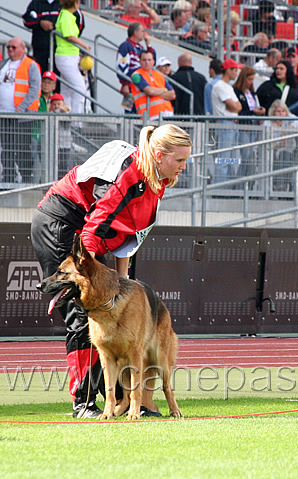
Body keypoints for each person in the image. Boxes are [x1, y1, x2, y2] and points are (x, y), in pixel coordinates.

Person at [31, 123, 192, 418]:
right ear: (159, 155)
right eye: (180, 161)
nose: (184, 167)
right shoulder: (130, 174)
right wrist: (88, 275)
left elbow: (128, 239)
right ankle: (84, 403)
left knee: (111, 305)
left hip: (88, 233)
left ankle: (125, 403)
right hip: (62, 223)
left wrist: (122, 282)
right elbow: (96, 224)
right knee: (86, 311)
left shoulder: (157, 181)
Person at [0, 37, 42, 184]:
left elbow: (35, 89)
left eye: (13, 47)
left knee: (23, 150)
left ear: (22, 49)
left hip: (22, 117)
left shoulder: (31, 65)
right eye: (8, 47)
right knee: (7, 151)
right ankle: (8, 180)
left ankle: (26, 181)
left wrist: (21, 108)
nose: (10, 50)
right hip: (4, 115)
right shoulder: (3, 64)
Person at [23, 0, 85, 76]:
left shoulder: (65, 2)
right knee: (39, 72)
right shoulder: (36, 3)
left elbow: (80, 22)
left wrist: (69, 35)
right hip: (40, 46)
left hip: (59, 48)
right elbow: (26, 20)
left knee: (59, 75)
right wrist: (40, 23)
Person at [55, 0, 90, 119]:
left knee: (67, 90)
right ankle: (76, 120)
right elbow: (69, 35)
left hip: (70, 56)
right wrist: (84, 45)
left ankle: (67, 117)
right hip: (66, 57)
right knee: (80, 88)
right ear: (75, 3)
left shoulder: (67, 15)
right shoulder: (66, 15)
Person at [210, 58, 243, 183]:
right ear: (228, 71)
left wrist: (235, 107)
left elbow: (238, 106)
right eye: (235, 70)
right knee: (223, 159)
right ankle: (219, 187)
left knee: (231, 159)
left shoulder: (228, 86)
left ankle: (226, 187)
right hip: (225, 124)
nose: (236, 73)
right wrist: (234, 107)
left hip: (231, 123)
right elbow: (235, 106)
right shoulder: (219, 85)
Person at [264, 100, 298, 192]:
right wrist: (278, 145)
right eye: (278, 111)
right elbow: (267, 142)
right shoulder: (268, 123)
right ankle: (274, 185)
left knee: (285, 156)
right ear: (273, 112)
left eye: (283, 111)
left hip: (286, 150)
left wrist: (289, 128)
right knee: (273, 159)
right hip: (271, 150)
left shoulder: (288, 118)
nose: (281, 114)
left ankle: (281, 185)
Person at [234, 65, 266, 178]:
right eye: (249, 79)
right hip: (243, 127)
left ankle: (246, 184)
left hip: (254, 126)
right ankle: (239, 184)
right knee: (246, 157)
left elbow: (255, 107)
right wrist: (253, 113)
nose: (251, 82)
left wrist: (260, 114)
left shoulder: (252, 93)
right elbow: (238, 113)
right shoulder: (236, 92)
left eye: (252, 79)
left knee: (251, 157)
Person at [116, 22, 155, 113]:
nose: (144, 34)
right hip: (130, 87)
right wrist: (125, 84)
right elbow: (121, 67)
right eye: (142, 31)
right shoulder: (125, 46)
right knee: (130, 113)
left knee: (141, 113)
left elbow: (152, 61)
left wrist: (148, 45)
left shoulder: (140, 47)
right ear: (135, 32)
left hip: (141, 86)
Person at [130, 50, 175, 119]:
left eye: (149, 60)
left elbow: (172, 94)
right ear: (140, 62)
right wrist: (164, 90)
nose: (147, 62)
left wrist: (155, 92)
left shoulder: (159, 75)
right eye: (144, 60)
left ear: (153, 62)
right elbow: (149, 91)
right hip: (150, 115)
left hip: (167, 113)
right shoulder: (136, 75)